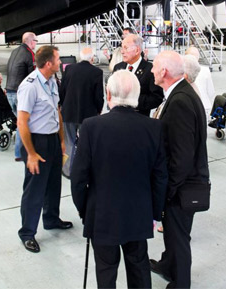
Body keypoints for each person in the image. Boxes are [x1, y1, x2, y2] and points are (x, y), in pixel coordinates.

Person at [71, 70, 168, 288]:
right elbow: (160, 175)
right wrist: (155, 213)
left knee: (106, 270)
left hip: (102, 214)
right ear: (137, 94)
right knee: (139, 266)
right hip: (138, 213)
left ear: (108, 94)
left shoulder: (91, 127)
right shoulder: (153, 128)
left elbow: (78, 178)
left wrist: (84, 209)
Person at [148, 51, 209, 289]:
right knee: (172, 235)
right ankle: (167, 265)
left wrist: (167, 190)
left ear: (164, 72)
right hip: (184, 183)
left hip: (182, 187)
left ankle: (181, 283)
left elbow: (182, 156)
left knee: (179, 238)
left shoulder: (181, 101)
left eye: (154, 67)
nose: (152, 70)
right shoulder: (181, 92)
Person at [16, 45, 73, 253]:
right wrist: (30, 153)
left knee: (52, 184)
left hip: (52, 140)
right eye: (58, 59)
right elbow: (22, 122)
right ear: (48, 63)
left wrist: (61, 141)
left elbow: (57, 111)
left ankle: (51, 219)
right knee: (34, 189)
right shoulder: (30, 86)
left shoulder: (51, 82)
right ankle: (27, 232)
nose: (60, 62)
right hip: (36, 142)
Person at [59, 47, 104, 178]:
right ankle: (86, 170)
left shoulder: (69, 69)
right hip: (88, 115)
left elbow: (63, 90)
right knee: (87, 142)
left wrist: (62, 105)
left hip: (69, 112)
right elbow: (98, 96)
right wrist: (99, 110)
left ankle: (67, 170)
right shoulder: (97, 72)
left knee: (69, 142)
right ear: (92, 58)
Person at [113, 34, 164, 116]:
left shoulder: (150, 69)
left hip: (139, 117)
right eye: (122, 48)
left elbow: (157, 98)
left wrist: (132, 100)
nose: (122, 51)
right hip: (118, 117)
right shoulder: (118, 67)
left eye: (126, 48)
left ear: (137, 50)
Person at [7, 32, 37, 162]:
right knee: (23, 122)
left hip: (9, 91)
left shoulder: (14, 52)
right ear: (30, 42)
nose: (36, 43)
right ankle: (19, 152)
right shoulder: (29, 54)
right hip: (19, 93)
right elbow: (32, 75)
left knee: (20, 120)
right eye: (35, 41)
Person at [185, 47, 216, 116]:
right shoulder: (206, 71)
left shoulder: (181, 72)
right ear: (198, 57)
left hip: (188, 108)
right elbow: (211, 92)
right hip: (204, 106)